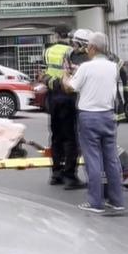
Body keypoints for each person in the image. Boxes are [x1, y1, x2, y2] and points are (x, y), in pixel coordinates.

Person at [62, 31, 125, 214]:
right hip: (108, 115)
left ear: (92, 48)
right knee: (111, 159)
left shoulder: (86, 68)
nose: (86, 49)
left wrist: (65, 75)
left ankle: (95, 202)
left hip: (89, 117)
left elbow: (69, 88)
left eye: (88, 46)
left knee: (93, 160)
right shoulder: (114, 67)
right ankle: (117, 200)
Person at [43, 25, 83, 189]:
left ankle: (56, 173)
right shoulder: (71, 52)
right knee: (71, 137)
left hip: (53, 97)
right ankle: (70, 175)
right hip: (68, 95)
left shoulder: (48, 51)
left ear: (56, 35)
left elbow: (46, 73)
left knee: (56, 136)